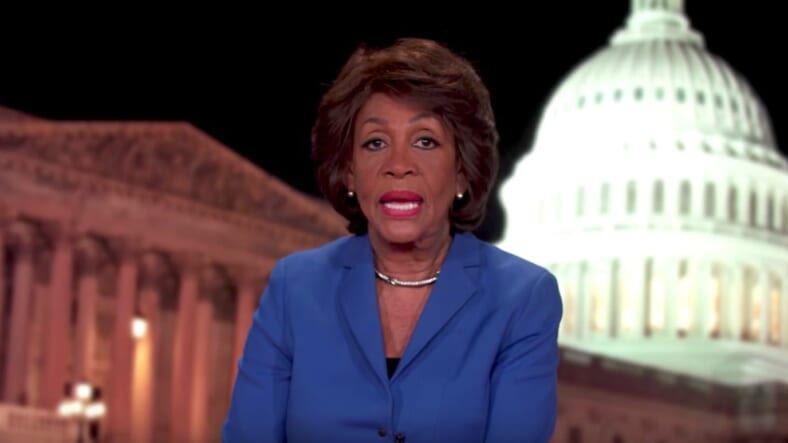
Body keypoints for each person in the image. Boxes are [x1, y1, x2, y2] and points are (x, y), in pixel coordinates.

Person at [222, 37, 563, 443]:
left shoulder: (522, 299)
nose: (398, 165)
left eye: (425, 141)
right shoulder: (293, 287)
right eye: (375, 143)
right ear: (350, 172)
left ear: (462, 171)